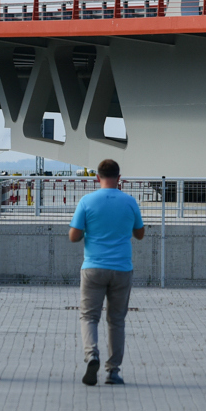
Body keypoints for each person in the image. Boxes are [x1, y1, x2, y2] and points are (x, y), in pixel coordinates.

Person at [69, 159, 145, 386]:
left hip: (93, 267)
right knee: (117, 320)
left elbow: (74, 236)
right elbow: (140, 234)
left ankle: (92, 355)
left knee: (89, 316)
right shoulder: (129, 201)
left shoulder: (87, 201)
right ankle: (113, 371)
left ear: (97, 178)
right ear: (119, 178)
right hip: (122, 268)